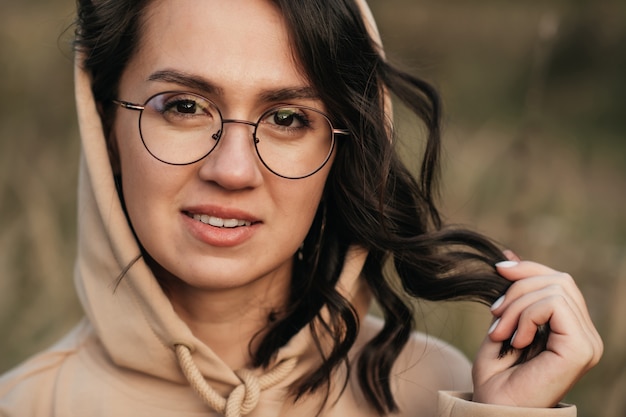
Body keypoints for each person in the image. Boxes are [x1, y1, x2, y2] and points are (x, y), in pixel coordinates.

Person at [0, 0, 602, 416]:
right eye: (183, 106)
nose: (232, 169)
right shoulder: (22, 406)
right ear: (105, 123)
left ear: (344, 145)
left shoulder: (445, 392)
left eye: (288, 119)